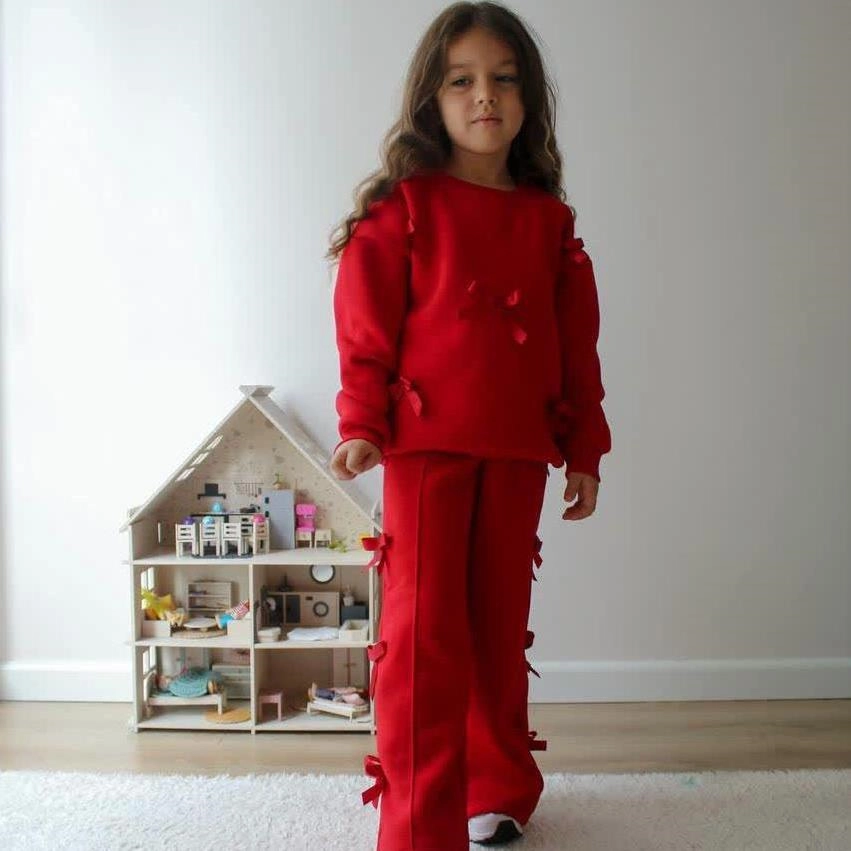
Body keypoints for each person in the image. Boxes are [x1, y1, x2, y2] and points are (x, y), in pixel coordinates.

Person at [325, 3, 611, 848]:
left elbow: (576, 346)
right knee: (422, 637)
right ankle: (419, 819)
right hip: (424, 451)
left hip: (518, 451)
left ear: (527, 99)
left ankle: (497, 785)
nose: (485, 96)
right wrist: (360, 421)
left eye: (504, 79)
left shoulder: (548, 221)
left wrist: (585, 448)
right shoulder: (405, 209)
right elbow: (365, 322)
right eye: (462, 80)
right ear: (432, 98)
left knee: (494, 629)